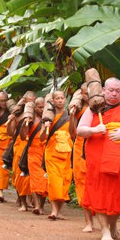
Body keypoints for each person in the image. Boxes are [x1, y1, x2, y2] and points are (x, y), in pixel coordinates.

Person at [76, 77, 120, 240]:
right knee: (99, 192)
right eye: (111, 90)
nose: (114, 93)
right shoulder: (94, 108)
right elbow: (80, 130)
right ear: (104, 90)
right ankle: (105, 230)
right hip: (97, 157)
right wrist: (94, 129)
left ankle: (113, 224)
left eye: (118, 91)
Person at [67, 85, 96, 232]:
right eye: (85, 94)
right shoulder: (78, 110)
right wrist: (72, 115)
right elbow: (72, 133)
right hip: (80, 148)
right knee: (82, 184)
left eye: (89, 93)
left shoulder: (99, 107)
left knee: (96, 183)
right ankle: (88, 222)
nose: (87, 96)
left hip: (96, 146)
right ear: (81, 94)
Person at [42, 90, 73, 221]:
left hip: (66, 153)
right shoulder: (49, 116)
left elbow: (73, 133)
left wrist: (73, 117)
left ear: (65, 100)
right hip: (52, 154)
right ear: (53, 101)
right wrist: (45, 126)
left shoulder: (69, 115)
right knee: (54, 182)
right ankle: (54, 211)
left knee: (64, 183)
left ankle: (59, 211)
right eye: (57, 98)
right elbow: (41, 137)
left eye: (62, 98)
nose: (60, 100)